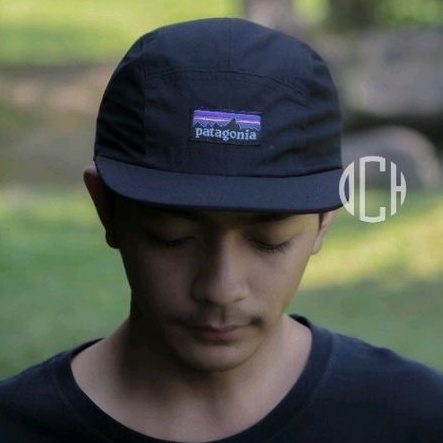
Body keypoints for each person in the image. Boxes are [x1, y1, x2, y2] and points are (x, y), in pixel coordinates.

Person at [1, 17, 442, 443]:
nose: (220, 288)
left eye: (270, 241)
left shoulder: (417, 419)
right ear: (106, 209)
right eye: (172, 235)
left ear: (325, 218)